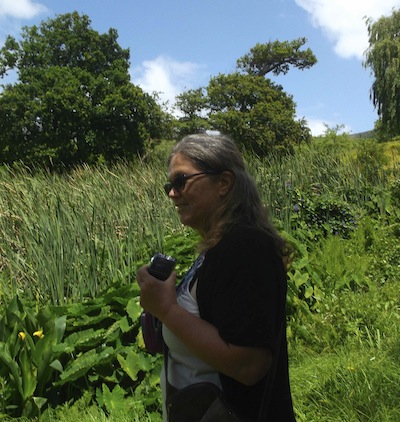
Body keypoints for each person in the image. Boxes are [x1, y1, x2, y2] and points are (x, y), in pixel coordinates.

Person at [136, 133, 295, 421]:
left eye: (181, 181)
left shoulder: (246, 248)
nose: (172, 193)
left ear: (224, 183)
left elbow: (249, 365)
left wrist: (167, 310)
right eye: (169, 186)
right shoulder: (217, 249)